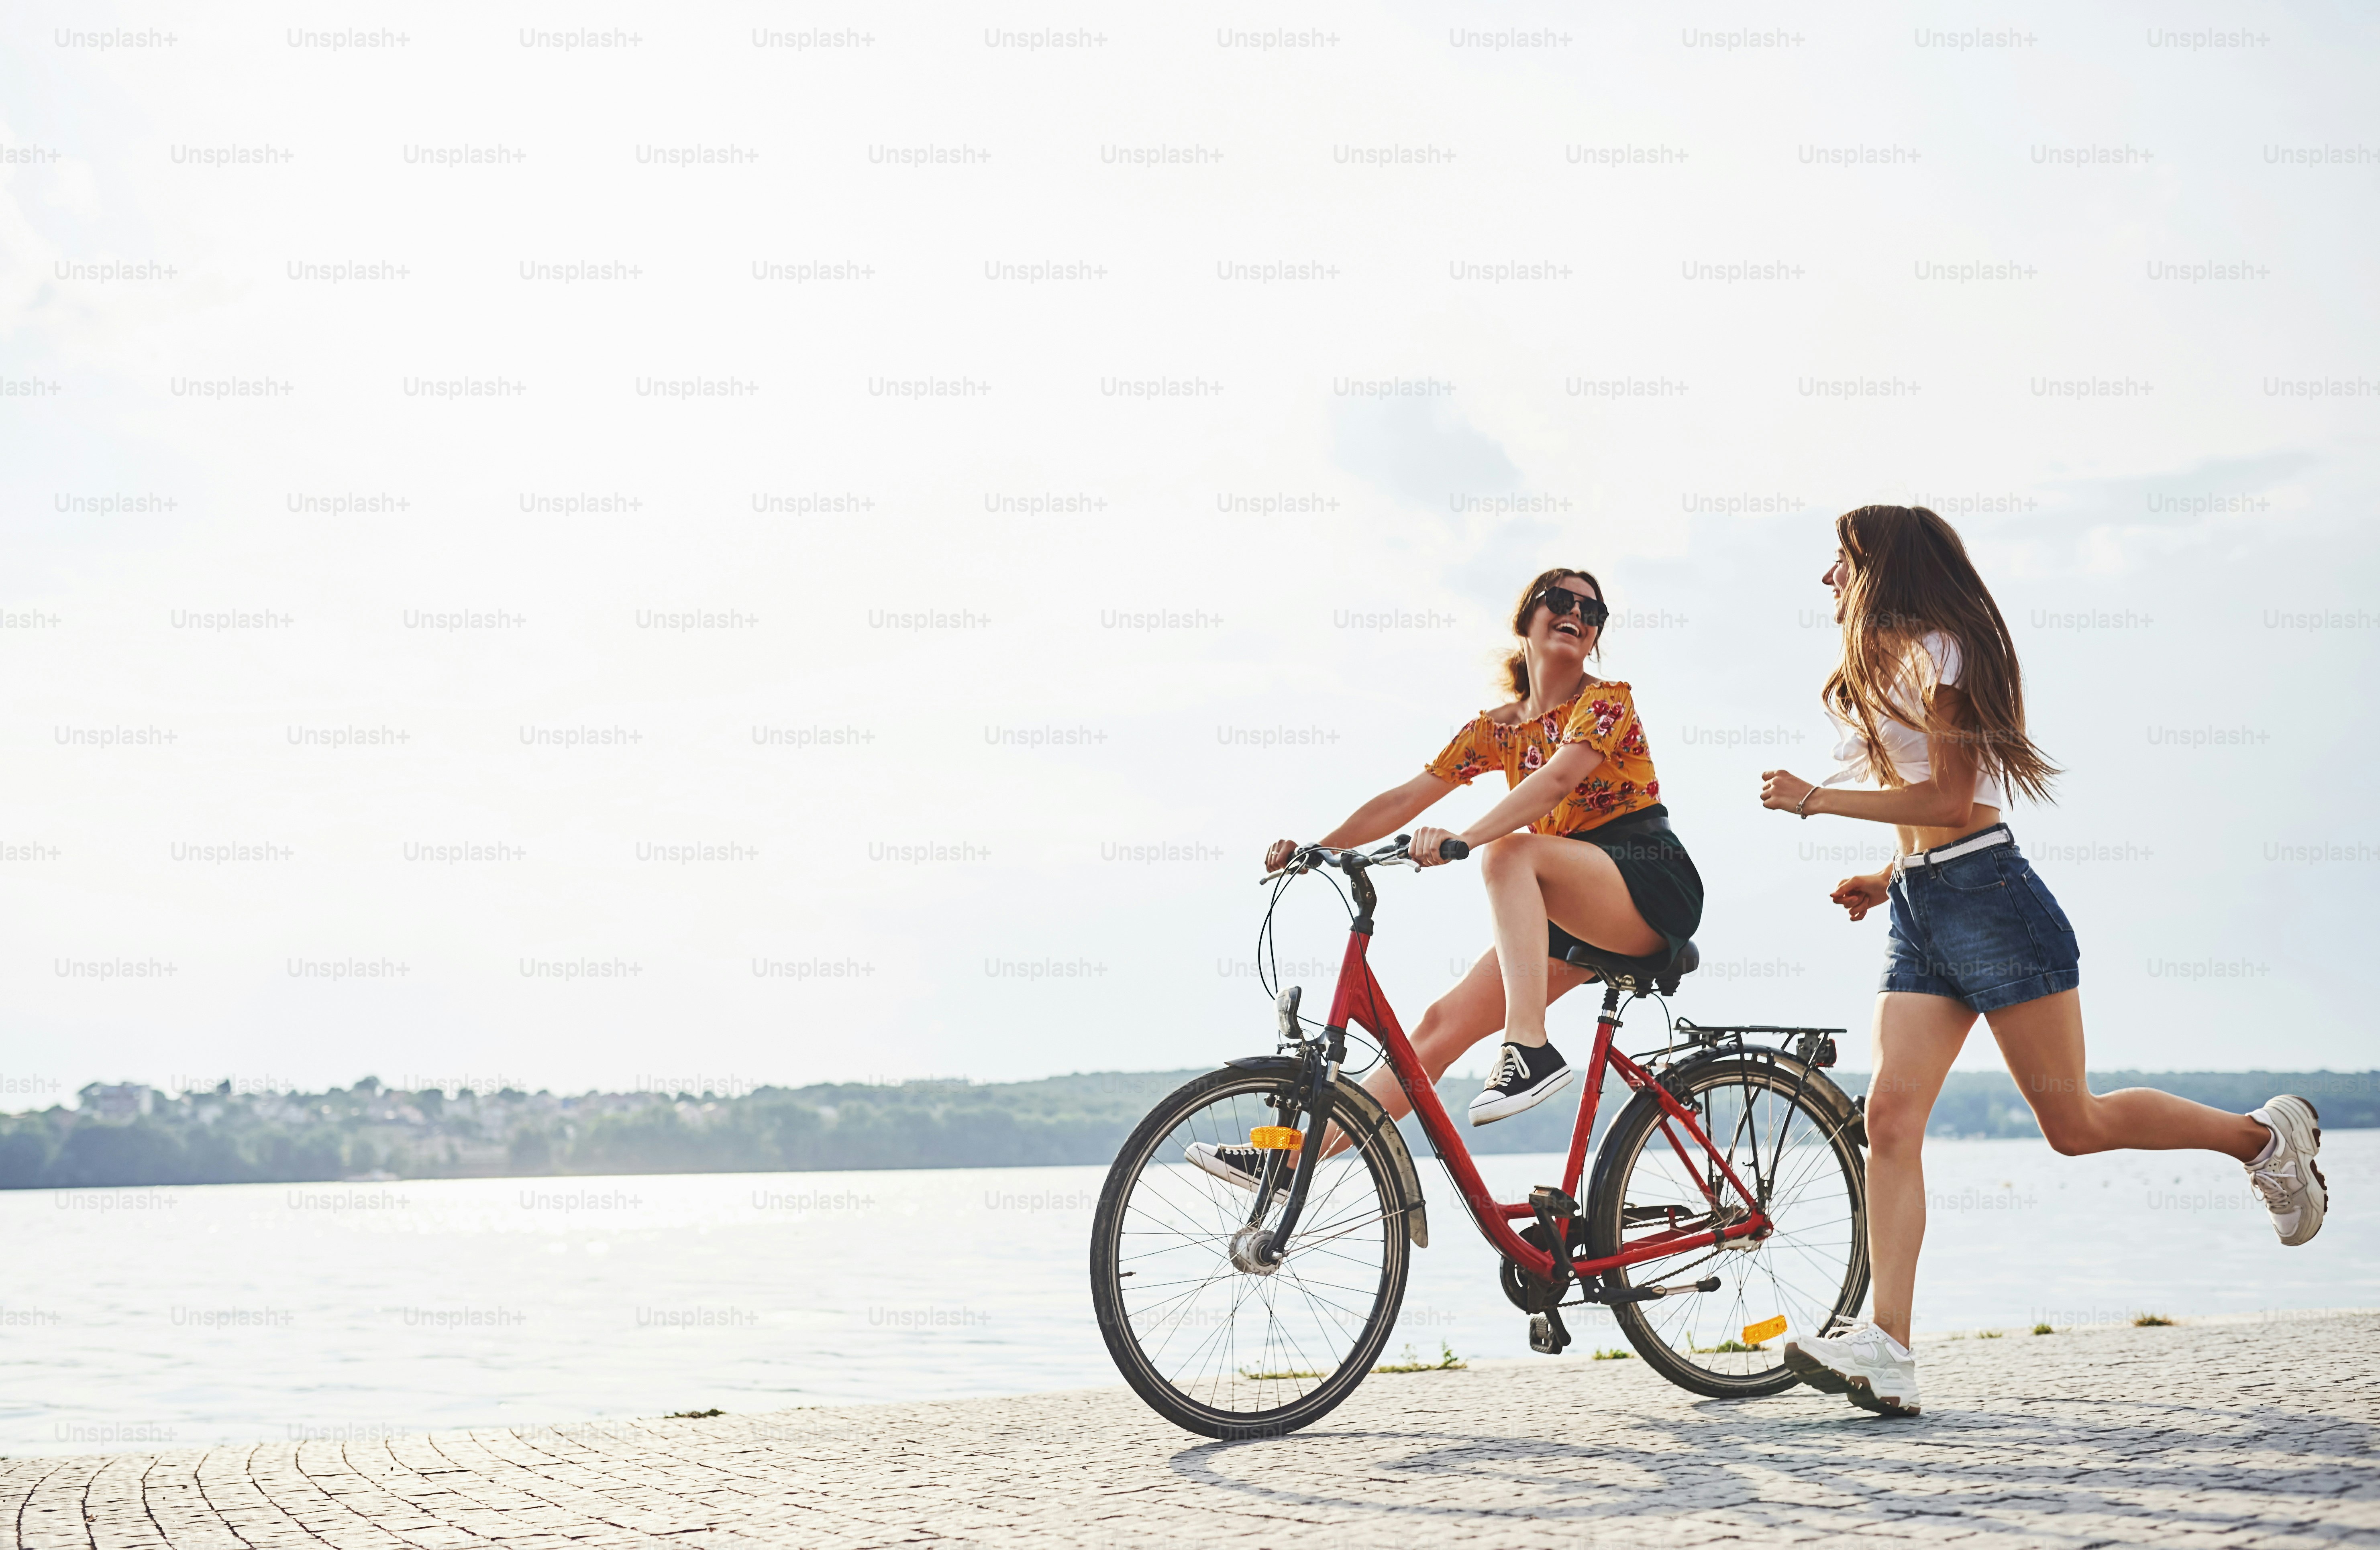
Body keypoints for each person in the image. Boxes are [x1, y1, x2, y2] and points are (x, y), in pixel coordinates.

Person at [1757, 504, 2326, 1419]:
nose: (1828, 580)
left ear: (1883, 570)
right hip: (1922, 905)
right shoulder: (1897, 665)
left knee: (2076, 1123)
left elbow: (1952, 795)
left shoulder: (1946, 651)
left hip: (1992, 902)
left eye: (1841, 563)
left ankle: (2263, 1138)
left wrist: (1817, 800)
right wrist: (1883, 872)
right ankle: (1889, 1348)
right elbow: (1930, 813)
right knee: (1891, 1117)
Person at [1185, 567, 1703, 1189]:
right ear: (1526, 620)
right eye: (1561, 601)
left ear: (1596, 637)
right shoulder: (1495, 728)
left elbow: (1557, 782)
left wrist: (1467, 839)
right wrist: (1317, 848)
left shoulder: (1607, 700)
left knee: (1510, 855)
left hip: (1644, 879)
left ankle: (1529, 1048)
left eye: (1593, 612)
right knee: (1434, 1030)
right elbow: (1406, 798)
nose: (1578, 614)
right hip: (1564, 894)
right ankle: (1288, 1163)